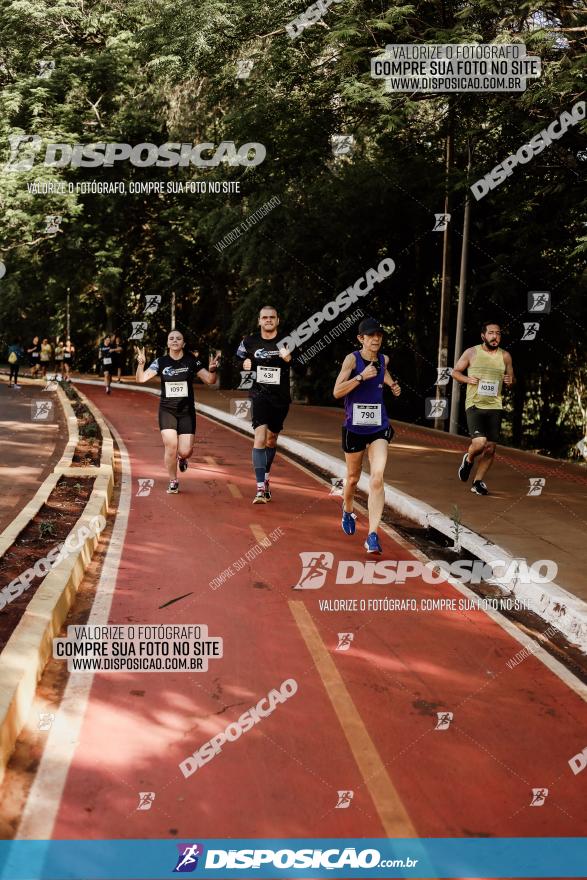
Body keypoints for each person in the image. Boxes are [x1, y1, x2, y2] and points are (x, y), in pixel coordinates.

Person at [332, 317, 401, 554]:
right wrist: (361, 377)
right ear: (361, 338)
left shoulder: (384, 359)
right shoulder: (352, 359)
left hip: (378, 427)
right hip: (354, 429)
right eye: (371, 336)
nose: (376, 339)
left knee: (377, 477)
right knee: (352, 478)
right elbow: (337, 391)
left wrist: (392, 385)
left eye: (379, 335)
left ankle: (372, 535)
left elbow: (383, 372)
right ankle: (348, 509)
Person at [135, 329, 219, 494]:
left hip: (187, 411)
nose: (174, 341)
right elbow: (141, 378)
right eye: (171, 338)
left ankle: (182, 458)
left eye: (178, 338)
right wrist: (141, 364)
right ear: (167, 343)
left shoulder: (191, 361)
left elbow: (210, 380)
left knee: (185, 450)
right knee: (171, 445)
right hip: (167, 410)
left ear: (183, 343)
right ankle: (173, 481)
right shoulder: (161, 362)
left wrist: (213, 370)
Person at [236, 305, 303, 504]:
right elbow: (236, 360)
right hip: (258, 395)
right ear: (259, 321)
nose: (268, 320)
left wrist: (289, 358)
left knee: (271, 440)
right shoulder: (248, 342)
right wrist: (243, 364)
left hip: (280, 398)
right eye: (264, 317)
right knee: (260, 436)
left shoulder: (288, 342)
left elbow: (302, 367)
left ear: (277, 320)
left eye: (271, 317)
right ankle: (259, 489)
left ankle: (265, 478)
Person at [452, 321, 515, 495]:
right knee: (479, 444)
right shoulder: (471, 352)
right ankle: (469, 458)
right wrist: (467, 379)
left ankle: (477, 482)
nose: (495, 336)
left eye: (498, 333)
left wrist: (510, 381)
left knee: (490, 448)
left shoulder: (505, 356)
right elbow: (455, 372)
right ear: (483, 336)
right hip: (474, 404)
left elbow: (511, 379)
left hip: (495, 406)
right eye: (491, 333)